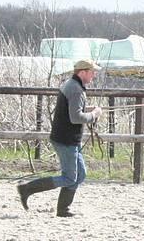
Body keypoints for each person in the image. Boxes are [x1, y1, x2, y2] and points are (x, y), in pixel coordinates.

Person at [17, 59, 103, 217]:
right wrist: (94, 115)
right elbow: (75, 117)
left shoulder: (71, 84)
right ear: (82, 72)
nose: (94, 75)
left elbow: (72, 109)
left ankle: (63, 209)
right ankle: (28, 188)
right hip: (66, 140)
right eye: (92, 72)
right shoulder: (76, 89)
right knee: (70, 178)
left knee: (80, 175)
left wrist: (88, 110)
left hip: (67, 139)